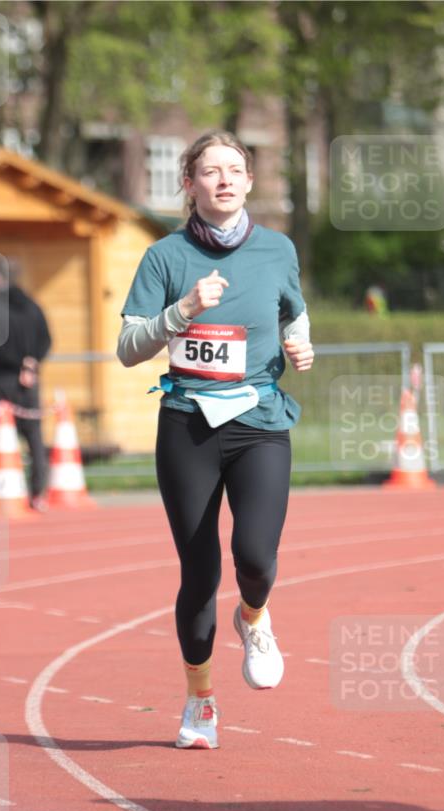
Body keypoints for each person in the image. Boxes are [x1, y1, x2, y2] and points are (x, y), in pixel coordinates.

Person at [118, 130, 314, 749]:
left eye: (235, 169)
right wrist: (181, 311)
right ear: (189, 183)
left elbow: (294, 311)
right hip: (188, 425)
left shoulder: (278, 248)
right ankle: (200, 702)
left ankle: (253, 616)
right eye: (210, 170)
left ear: (250, 182)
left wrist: (302, 343)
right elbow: (127, 349)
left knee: (255, 555)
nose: (224, 179)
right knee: (199, 571)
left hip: (259, 421)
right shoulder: (164, 256)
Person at [0, 262, 52, 511]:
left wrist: (19, 365)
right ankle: (37, 493)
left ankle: (3, 493)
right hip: (29, 379)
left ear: (1, 278)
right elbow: (46, 340)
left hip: (2, 378)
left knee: (0, 436)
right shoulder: (33, 306)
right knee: (34, 438)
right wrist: (30, 364)